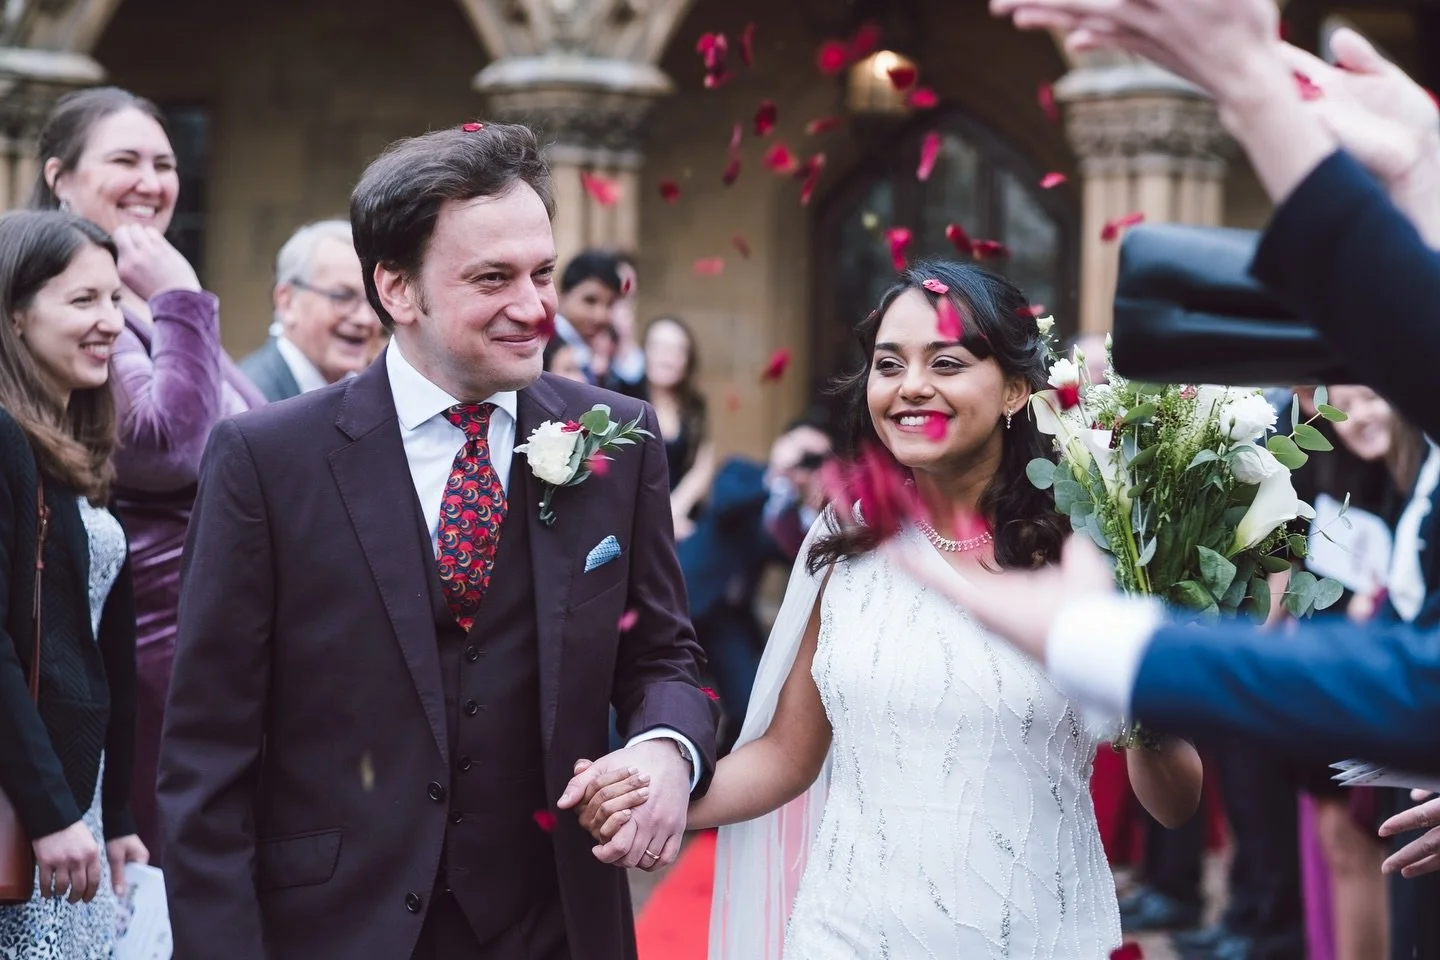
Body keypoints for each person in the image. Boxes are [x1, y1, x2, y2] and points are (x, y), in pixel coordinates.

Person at [156, 121, 717, 960]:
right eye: (494, 278)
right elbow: (206, 754)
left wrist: (668, 752)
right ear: (398, 289)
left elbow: (666, 656)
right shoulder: (267, 460)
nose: (536, 307)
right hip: (336, 929)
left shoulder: (616, 440)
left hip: (555, 924)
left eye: (543, 273)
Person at [581, 260, 1204, 958]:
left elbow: (1175, 803)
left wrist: (1149, 691)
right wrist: (658, 793)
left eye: (945, 362)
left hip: (1037, 934)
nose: (911, 386)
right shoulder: (847, 546)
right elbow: (788, 756)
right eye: (888, 363)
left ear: (1015, 390)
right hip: (847, 933)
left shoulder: (1085, 555)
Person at [28, 86, 265, 865]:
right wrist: (183, 299)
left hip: (221, 628)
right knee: (172, 876)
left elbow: (246, 433)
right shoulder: (88, 312)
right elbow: (165, 450)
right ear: (59, 177)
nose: (152, 180)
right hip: (157, 636)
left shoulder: (142, 300)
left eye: (165, 163)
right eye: (125, 159)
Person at [0, 210, 148, 957]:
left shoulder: (81, 452)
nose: (111, 323)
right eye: (83, 300)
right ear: (15, 314)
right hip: (29, 809)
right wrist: (52, 812)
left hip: (74, 806)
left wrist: (113, 813)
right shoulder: (2, 438)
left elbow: (101, 654)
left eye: (117, 299)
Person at [239, 219, 383, 401]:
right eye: (342, 297)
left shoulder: (373, 396)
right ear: (288, 302)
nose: (365, 319)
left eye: (374, 300)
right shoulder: (248, 402)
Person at [641, 316, 715, 538]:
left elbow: (702, 466)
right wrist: (659, 519)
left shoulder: (694, 404)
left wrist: (675, 511)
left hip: (682, 514)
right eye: (659, 347)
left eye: (677, 350)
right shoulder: (625, 395)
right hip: (637, 517)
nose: (667, 357)